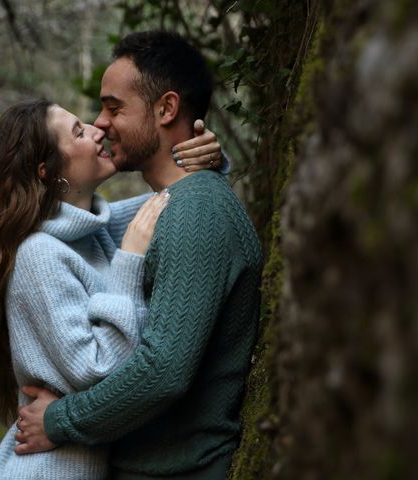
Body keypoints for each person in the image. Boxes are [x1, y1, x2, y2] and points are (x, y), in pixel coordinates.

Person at [15, 31, 263, 480]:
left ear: (167, 109)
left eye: (114, 107)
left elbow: (163, 371)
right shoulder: (173, 206)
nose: (100, 122)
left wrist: (59, 420)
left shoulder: (196, 213)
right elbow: (76, 225)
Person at [0, 98, 222, 480]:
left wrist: (206, 159)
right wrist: (129, 262)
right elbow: (95, 373)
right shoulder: (39, 255)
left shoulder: (91, 231)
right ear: (49, 172)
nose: (97, 130)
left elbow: (171, 201)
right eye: (79, 132)